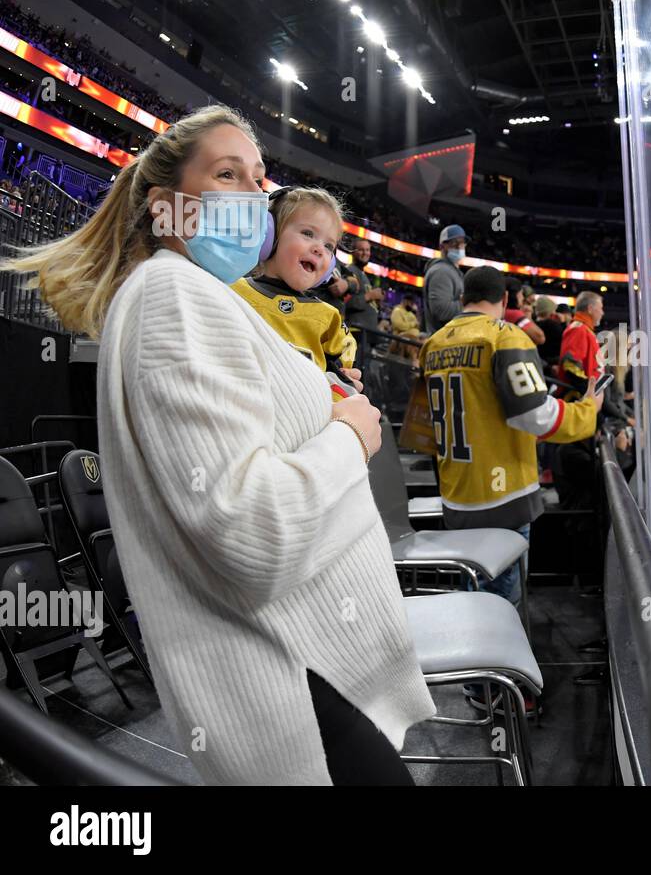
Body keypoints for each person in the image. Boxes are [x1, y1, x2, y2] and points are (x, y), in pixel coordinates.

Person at [2, 105, 435, 784]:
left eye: (260, 178)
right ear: (165, 204)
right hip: (288, 675)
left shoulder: (206, 296)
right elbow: (248, 526)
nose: (255, 194)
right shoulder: (174, 298)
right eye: (228, 173)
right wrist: (350, 437)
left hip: (311, 660)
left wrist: (318, 399)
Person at [417, 266, 602, 606]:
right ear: (504, 299)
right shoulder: (505, 336)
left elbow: (424, 425)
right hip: (502, 501)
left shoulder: (433, 343)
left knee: (471, 597)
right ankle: (493, 659)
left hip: (456, 494)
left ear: (462, 299)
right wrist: (587, 411)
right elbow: (534, 415)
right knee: (501, 606)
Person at [231, 186, 355, 398]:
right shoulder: (232, 292)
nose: (319, 249)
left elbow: (342, 389)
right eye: (308, 233)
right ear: (269, 234)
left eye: (328, 246)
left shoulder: (329, 319)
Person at [341, 236, 382, 373]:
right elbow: (347, 303)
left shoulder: (362, 274)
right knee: (354, 375)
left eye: (368, 250)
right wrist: (370, 295)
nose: (365, 253)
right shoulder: (350, 271)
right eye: (361, 250)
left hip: (366, 335)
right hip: (356, 335)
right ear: (353, 251)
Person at [423, 223, 467, 334]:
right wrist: (470, 301)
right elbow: (442, 312)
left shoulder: (453, 271)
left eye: (461, 242)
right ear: (442, 247)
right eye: (453, 243)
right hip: (442, 343)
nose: (458, 246)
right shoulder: (441, 272)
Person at [559, 289, 603, 396]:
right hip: (578, 399)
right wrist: (589, 391)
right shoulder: (578, 329)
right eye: (600, 308)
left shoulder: (585, 329)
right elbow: (571, 366)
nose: (602, 312)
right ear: (590, 309)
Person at [389, 292, 424, 363]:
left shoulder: (411, 313)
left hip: (414, 340)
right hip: (402, 340)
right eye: (411, 303)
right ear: (405, 301)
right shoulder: (397, 310)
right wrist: (412, 324)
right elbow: (398, 325)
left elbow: (417, 324)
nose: (412, 305)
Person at [534, 295, 565, 369]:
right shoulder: (552, 325)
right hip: (553, 364)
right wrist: (563, 323)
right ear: (550, 311)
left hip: (539, 362)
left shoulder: (533, 325)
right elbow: (565, 339)